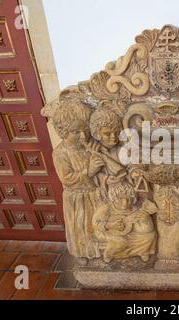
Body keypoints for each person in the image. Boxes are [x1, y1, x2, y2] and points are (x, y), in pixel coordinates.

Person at [51, 99, 104, 265]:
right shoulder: (61, 153)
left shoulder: (88, 146)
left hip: (95, 194)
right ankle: (82, 253)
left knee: (98, 225)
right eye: (76, 132)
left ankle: (100, 253)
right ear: (63, 131)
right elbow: (67, 178)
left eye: (85, 130)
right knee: (81, 226)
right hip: (77, 198)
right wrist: (87, 172)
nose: (83, 135)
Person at [92, 182, 157, 263]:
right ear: (113, 198)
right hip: (106, 232)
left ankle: (142, 251)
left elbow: (146, 230)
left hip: (129, 233)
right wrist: (110, 225)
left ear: (132, 199)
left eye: (128, 199)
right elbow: (95, 223)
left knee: (150, 236)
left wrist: (145, 219)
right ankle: (109, 254)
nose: (125, 203)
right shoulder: (106, 207)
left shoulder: (134, 209)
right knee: (121, 242)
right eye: (120, 199)